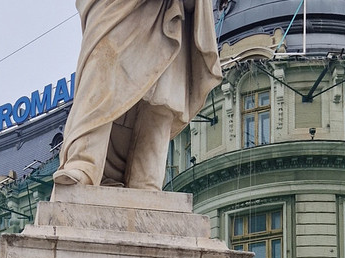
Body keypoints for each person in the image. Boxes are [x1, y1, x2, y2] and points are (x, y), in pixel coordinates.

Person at [53, 0, 223, 191]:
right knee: (101, 75)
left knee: (162, 97)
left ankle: (147, 180)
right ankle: (83, 162)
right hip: (115, 8)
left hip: (166, 9)